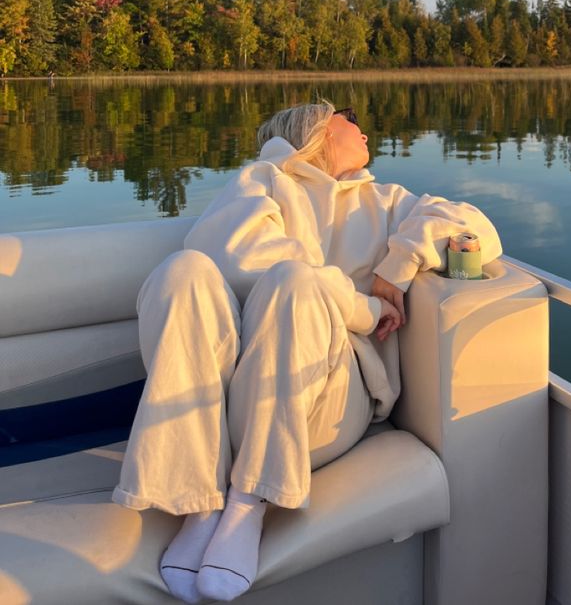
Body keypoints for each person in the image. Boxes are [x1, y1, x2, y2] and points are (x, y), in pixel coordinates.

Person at [112, 101, 503, 603]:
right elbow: (234, 256)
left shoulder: (386, 201)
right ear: (316, 130)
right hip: (229, 404)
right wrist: (363, 305)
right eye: (348, 115)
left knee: (294, 281)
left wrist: (397, 265)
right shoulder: (263, 181)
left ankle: (249, 502)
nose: (362, 124)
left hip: (325, 399)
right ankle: (199, 501)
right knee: (182, 271)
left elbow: (473, 224)